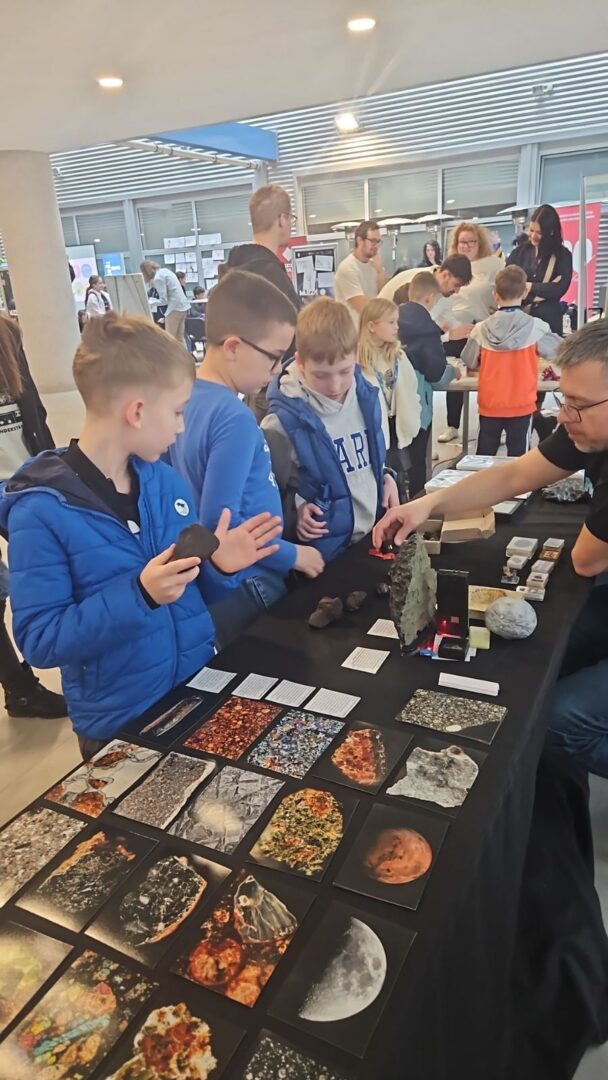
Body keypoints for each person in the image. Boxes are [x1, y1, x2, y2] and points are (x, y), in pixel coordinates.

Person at [0, 313, 284, 759]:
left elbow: (187, 596)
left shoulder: (164, 483)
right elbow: (40, 639)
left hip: (193, 697)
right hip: (119, 727)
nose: (181, 427)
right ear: (137, 411)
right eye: (177, 412)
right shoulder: (40, 512)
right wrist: (140, 595)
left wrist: (218, 568)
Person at [372, 317, 608, 776]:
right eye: (564, 400)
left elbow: (586, 560)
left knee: (559, 723)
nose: (564, 416)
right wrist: (427, 505)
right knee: (543, 657)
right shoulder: (587, 428)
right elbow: (515, 474)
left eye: (579, 405)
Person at [170, 270, 323, 646]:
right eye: (274, 358)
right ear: (234, 347)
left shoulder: (184, 399)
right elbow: (222, 529)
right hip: (251, 577)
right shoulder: (233, 417)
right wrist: (294, 555)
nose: (277, 371)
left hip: (228, 581)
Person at [262, 298, 398, 562]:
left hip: (373, 537)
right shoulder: (279, 423)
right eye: (321, 375)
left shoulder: (368, 395)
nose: (335, 385)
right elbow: (273, 496)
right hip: (324, 555)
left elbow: (372, 456)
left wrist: (385, 476)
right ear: (300, 362)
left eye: (344, 371)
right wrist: (297, 512)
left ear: (356, 356)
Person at [0, 316, 66, 719]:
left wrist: (56, 470)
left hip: (23, 482)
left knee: (55, 571)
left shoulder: (7, 333)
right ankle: (19, 688)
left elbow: (34, 414)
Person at [461, 265, 561, 456]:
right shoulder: (536, 327)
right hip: (521, 404)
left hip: (490, 404)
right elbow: (559, 351)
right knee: (518, 459)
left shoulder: (480, 329)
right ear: (525, 293)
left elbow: (469, 360)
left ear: (495, 295)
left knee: (483, 458)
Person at [227, 184, 302, 421]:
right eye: (291, 219)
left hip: (251, 387)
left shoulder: (236, 270)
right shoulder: (269, 276)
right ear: (282, 219)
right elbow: (293, 335)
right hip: (275, 390)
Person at [508, 204, 574, 442]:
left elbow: (560, 288)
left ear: (551, 231)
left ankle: (534, 421)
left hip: (546, 324)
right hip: (520, 323)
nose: (533, 236)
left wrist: (530, 288)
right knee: (519, 379)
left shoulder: (562, 255)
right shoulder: (519, 252)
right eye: (531, 230)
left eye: (539, 232)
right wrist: (541, 291)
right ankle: (538, 422)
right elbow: (509, 283)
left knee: (539, 380)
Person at [437, 222, 505, 443]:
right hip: (454, 328)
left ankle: (491, 426)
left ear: (480, 243)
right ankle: (452, 424)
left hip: (482, 329)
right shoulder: (449, 267)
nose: (466, 246)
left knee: (487, 379)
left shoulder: (493, 264)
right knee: (455, 377)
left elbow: (503, 292)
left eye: (471, 242)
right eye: (462, 242)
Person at [395, 274, 460, 494]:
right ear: (430, 297)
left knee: (396, 462)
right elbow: (436, 375)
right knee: (418, 463)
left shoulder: (391, 320)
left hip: (391, 405)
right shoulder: (427, 328)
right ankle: (417, 503)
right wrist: (453, 371)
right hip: (417, 407)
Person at [358, 297, 421, 501]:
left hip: (397, 431)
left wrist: (414, 413)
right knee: (378, 488)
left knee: (400, 487)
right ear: (372, 326)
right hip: (374, 434)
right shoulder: (358, 361)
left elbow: (412, 387)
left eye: (396, 321)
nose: (397, 327)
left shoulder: (398, 356)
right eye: (391, 322)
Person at [334, 220, 389, 328]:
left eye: (378, 241)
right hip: (354, 333)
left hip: (371, 330)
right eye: (372, 241)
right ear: (359, 240)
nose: (376, 245)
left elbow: (384, 293)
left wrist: (380, 271)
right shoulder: (347, 268)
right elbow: (362, 305)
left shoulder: (375, 264)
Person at [140, 260, 190, 343]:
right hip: (183, 307)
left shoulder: (157, 278)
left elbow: (164, 300)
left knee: (169, 339)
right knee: (180, 338)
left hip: (174, 309)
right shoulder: (166, 271)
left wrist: (149, 302)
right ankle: (184, 352)